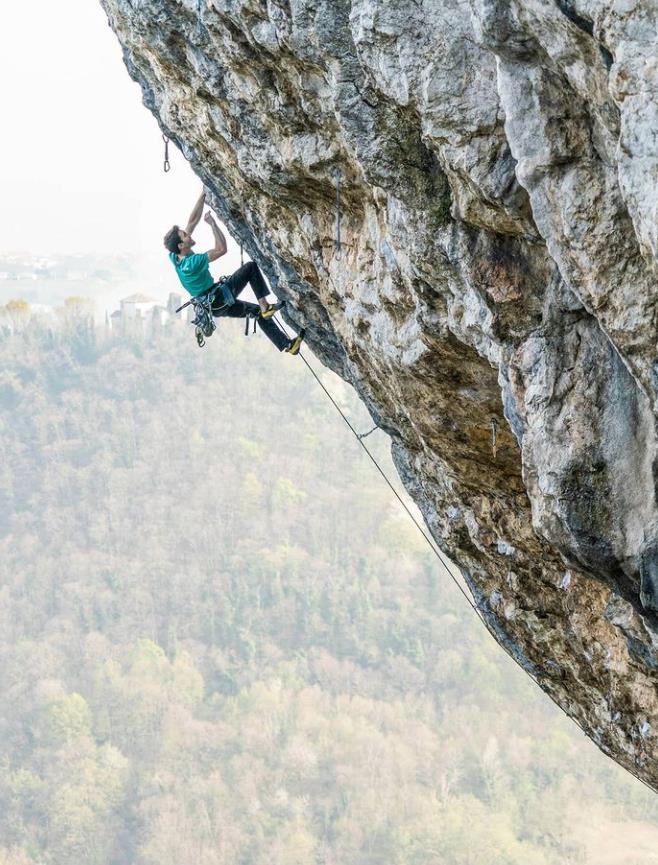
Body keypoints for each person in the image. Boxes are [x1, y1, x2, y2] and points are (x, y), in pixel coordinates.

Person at [164, 190, 304, 355]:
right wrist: (213, 224)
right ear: (181, 245)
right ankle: (265, 305)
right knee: (250, 268)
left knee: (258, 314)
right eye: (185, 235)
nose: (188, 234)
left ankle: (288, 345)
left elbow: (192, 221)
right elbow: (221, 249)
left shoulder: (175, 256)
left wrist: (203, 195)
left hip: (213, 306)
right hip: (218, 298)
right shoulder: (192, 263)